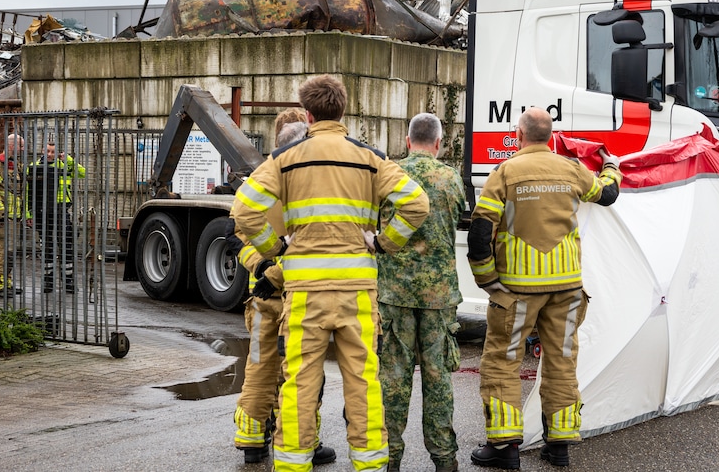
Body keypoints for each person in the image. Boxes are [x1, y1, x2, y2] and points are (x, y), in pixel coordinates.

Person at [232, 75, 430, 472]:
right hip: (357, 291)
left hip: (305, 292)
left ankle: (291, 463)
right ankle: (371, 463)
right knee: (364, 381)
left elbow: (244, 210)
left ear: (309, 113)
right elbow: (416, 204)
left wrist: (275, 250)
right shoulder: (369, 157)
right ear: (343, 110)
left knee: (299, 383)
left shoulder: (286, 159)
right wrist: (383, 242)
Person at [468, 107, 621, 469]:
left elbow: (479, 233)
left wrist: (488, 281)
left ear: (518, 134)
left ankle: (505, 448)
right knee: (561, 361)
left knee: (503, 361)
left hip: (518, 290)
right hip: (567, 289)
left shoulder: (504, 173)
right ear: (550, 137)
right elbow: (608, 193)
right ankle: (560, 446)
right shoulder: (572, 170)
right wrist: (611, 164)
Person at [232, 112, 337, 466]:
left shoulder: (257, 183)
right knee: (303, 375)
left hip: (260, 299)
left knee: (259, 367)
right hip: (300, 298)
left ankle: (251, 440)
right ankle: (306, 441)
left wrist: (261, 267)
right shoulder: (309, 185)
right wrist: (277, 269)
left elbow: (239, 236)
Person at [376, 113, 465, 472]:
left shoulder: (390, 175)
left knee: (393, 378)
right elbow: (456, 219)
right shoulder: (451, 177)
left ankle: (388, 457)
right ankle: (444, 459)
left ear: (408, 140)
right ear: (439, 143)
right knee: (437, 377)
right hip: (438, 297)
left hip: (394, 294)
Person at [29, 141, 86, 294]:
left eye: (53, 152)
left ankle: (68, 280)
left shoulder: (64, 165)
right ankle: (48, 280)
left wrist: (68, 159)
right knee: (47, 246)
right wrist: (29, 213)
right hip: (42, 210)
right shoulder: (34, 167)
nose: (49, 154)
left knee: (66, 244)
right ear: (42, 150)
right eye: (47, 151)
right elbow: (29, 191)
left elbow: (83, 173)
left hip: (61, 209)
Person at [0, 133, 31, 296]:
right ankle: (0, 287)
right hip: (3, 219)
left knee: (10, 253)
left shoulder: (17, 165)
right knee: (2, 252)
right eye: (21, 146)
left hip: (15, 217)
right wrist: (1, 213)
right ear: (11, 145)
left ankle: (8, 283)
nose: (23, 149)